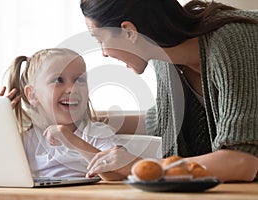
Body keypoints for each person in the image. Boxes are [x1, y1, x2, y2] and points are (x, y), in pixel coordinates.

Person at [80, 0, 258, 182]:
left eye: (100, 40)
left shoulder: (233, 41)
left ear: (129, 31)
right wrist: (87, 121)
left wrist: (140, 166)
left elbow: (242, 161)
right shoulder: (165, 60)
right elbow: (163, 120)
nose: (104, 53)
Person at [0, 48, 126, 181]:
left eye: (80, 80)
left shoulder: (96, 133)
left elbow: (118, 175)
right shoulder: (26, 139)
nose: (72, 89)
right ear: (32, 95)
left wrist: (72, 141)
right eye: (58, 80)